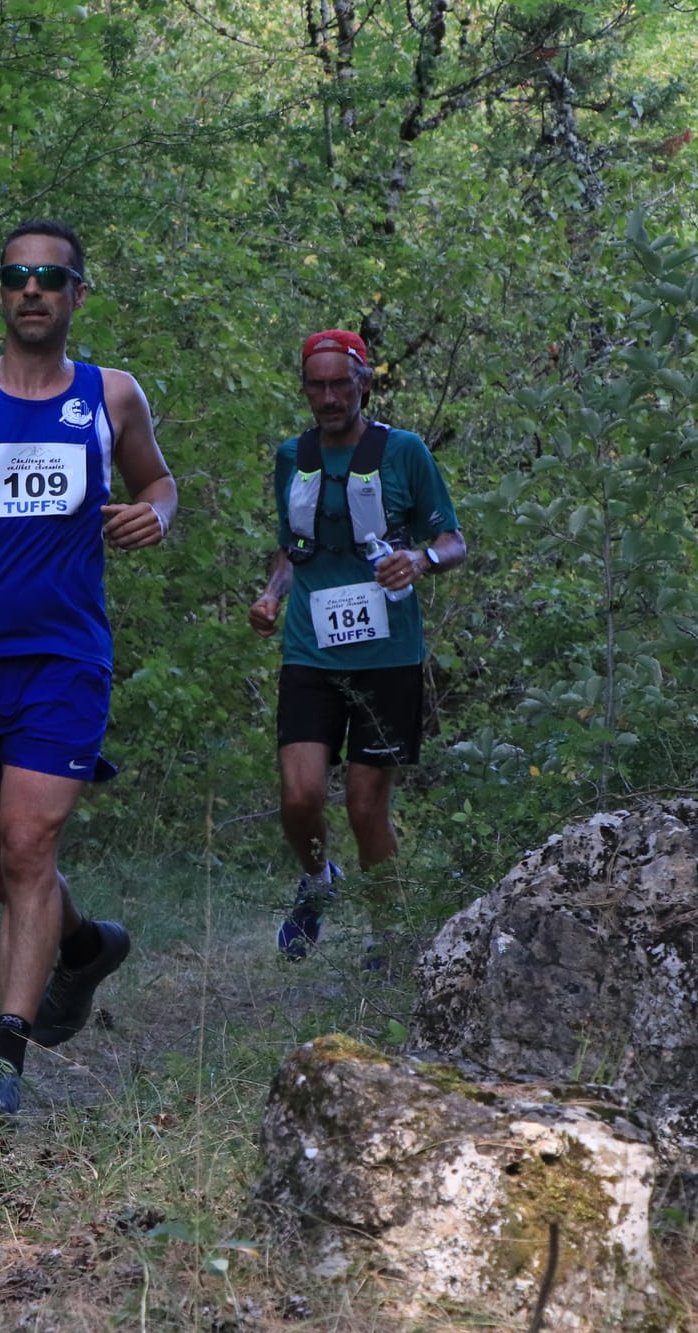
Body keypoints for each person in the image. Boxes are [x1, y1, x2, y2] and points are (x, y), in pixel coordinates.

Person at [0, 220, 177, 1125]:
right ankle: (85, 945)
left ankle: (2, 1057)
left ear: (76, 295)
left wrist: (154, 516)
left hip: (64, 656)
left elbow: (159, 483)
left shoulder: (111, 396)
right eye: (17, 276)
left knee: (29, 850)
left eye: (50, 279)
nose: (32, 290)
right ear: (1, 290)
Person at [247, 329, 467, 962]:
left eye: (339, 383)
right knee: (300, 797)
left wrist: (420, 559)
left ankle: (388, 937)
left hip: (387, 655)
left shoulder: (404, 452)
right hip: (309, 651)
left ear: (363, 382)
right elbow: (292, 547)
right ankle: (318, 879)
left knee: (368, 808)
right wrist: (271, 593)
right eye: (315, 385)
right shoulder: (293, 456)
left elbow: (453, 540)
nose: (328, 396)